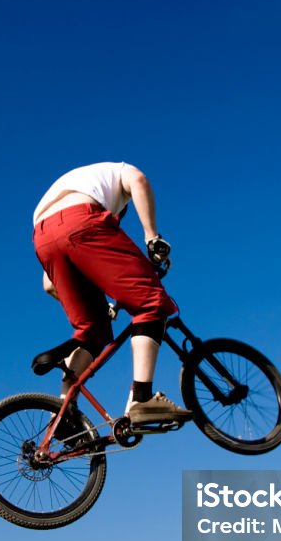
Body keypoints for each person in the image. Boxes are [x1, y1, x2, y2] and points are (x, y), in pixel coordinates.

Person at [32, 161, 192, 425]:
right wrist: (153, 238)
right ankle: (141, 399)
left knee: (92, 330)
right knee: (151, 303)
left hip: (43, 236)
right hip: (82, 220)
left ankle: (61, 411)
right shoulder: (118, 171)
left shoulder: (76, 184)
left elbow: (49, 286)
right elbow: (138, 179)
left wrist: (103, 305)